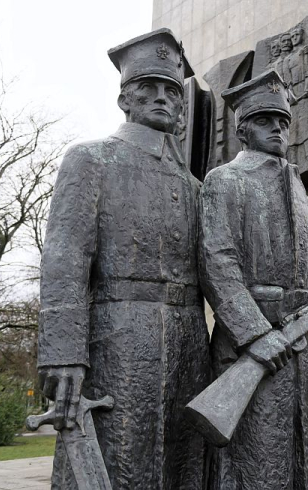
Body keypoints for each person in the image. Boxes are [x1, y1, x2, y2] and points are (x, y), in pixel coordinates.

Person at [36, 28, 210, 489]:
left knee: (183, 467)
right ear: (124, 101)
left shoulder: (196, 188)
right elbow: (64, 261)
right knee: (120, 464)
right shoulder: (89, 160)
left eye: (171, 91)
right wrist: (64, 354)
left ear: (181, 105)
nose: (161, 99)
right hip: (116, 337)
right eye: (146, 89)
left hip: (190, 341)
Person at [199, 69, 308, 490]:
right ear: (244, 130)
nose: (278, 129)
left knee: (301, 462)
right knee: (258, 466)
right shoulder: (225, 180)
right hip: (256, 347)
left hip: (301, 349)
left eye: (282, 121)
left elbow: (301, 282)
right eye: (265, 120)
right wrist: (255, 335)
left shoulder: (296, 186)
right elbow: (218, 266)